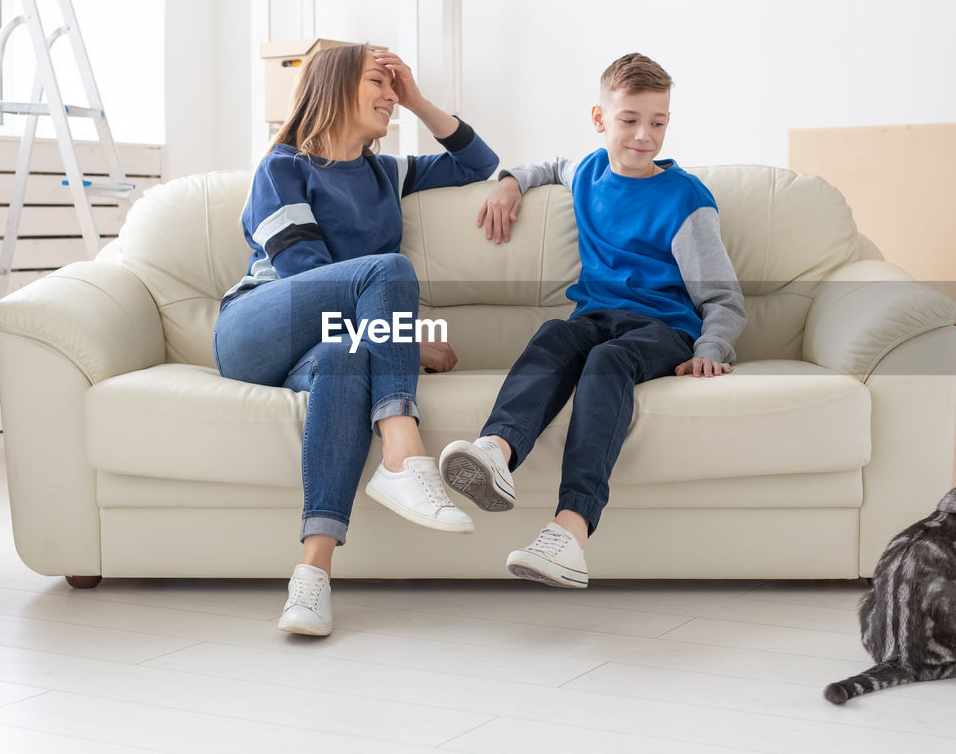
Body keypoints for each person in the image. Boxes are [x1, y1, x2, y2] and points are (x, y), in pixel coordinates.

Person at [214, 44, 498, 634]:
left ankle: (310, 578)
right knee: (388, 269)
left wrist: (417, 98)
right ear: (336, 85)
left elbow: (479, 163)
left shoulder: (384, 172)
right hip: (257, 328)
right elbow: (303, 273)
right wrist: (409, 348)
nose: (391, 94)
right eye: (379, 81)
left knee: (345, 363)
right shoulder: (282, 168)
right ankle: (402, 449)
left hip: (331, 342)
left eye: (395, 85)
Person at [440, 53, 746, 588]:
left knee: (607, 362)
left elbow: (722, 296)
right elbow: (550, 167)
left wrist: (711, 349)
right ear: (599, 119)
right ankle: (496, 451)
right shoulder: (588, 170)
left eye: (658, 122)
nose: (644, 136)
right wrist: (511, 180)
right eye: (629, 120)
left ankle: (570, 533)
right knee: (557, 334)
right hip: (595, 315)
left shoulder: (686, 200)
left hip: (663, 328)